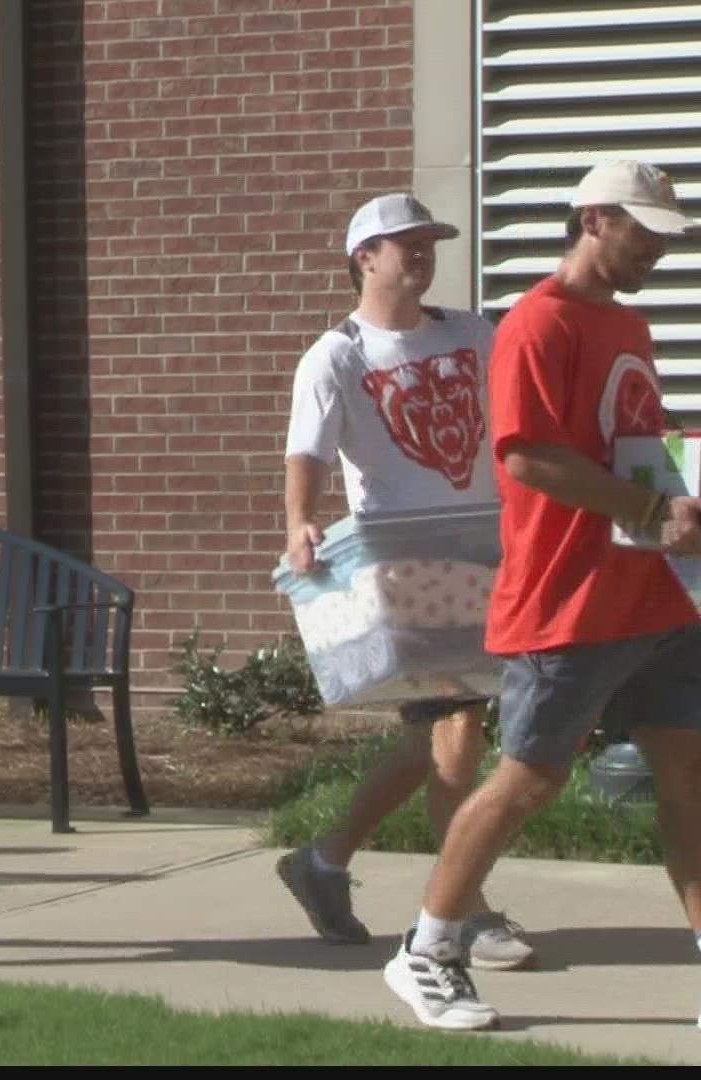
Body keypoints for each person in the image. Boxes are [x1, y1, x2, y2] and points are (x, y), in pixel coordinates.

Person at [382, 160, 701, 1031]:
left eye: (666, 239)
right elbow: (526, 455)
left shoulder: (629, 323)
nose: (656, 254)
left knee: (690, 781)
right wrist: (647, 504)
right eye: (643, 234)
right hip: (567, 601)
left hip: (656, 598)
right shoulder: (536, 325)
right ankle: (427, 951)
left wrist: (684, 478)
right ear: (594, 220)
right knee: (530, 779)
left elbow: (629, 438)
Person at [277, 192, 536, 969]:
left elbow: (515, 415)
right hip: (407, 565)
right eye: (405, 244)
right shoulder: (340, 353)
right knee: (457, 742)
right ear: (366, 257)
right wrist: (299, 520)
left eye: (429, 242)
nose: (421, 254)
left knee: (436, 744)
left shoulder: (471, 332)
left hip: (486, 552)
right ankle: (467, 912)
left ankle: (322, 862)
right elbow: (309, 451)